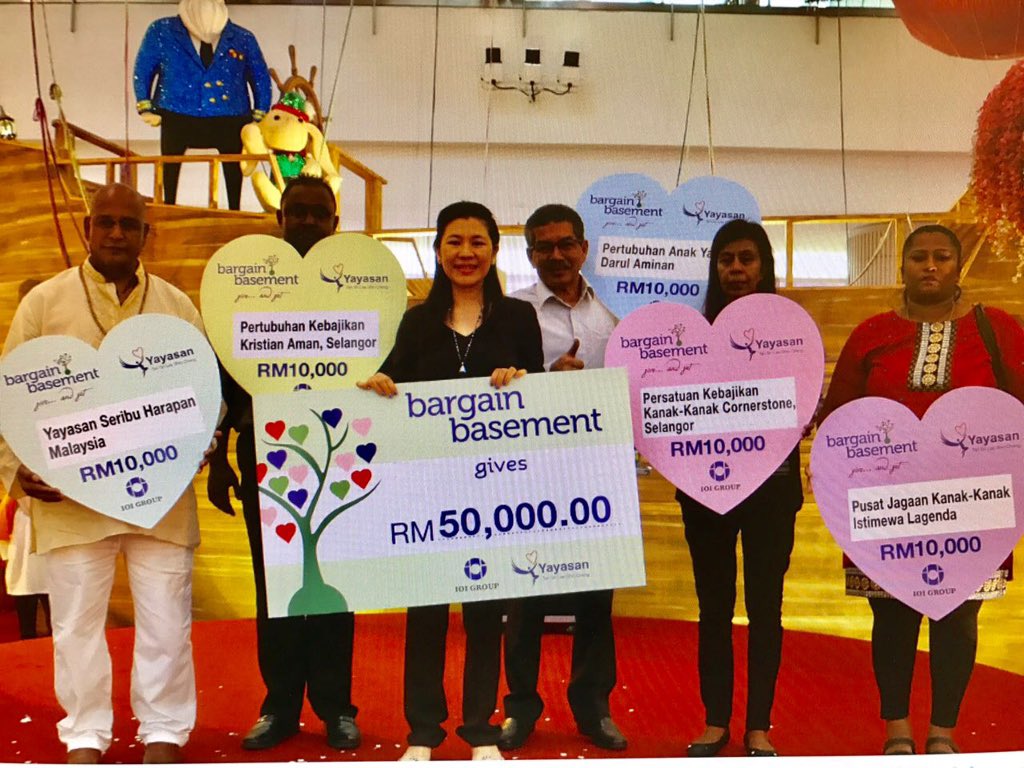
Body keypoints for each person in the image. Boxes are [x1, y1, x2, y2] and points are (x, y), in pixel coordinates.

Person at [0, 183, 205, 763]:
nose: (116, 232)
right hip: (70, 497)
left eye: (129, 224)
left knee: (167, 618)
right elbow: (10, 395)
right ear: (88, 228)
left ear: (146, 235)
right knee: (74, 624)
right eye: (106, 222)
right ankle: (85, 733)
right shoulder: (45, 302)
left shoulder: (175, 305)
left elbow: (203, 390)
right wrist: (17, 472)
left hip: (158, 493)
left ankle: (163, 730)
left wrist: (201, 441)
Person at [819, 224, 1024, 756]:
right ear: (902, 266)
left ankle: (943, 734)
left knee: (959, 617)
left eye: (941, 257)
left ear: (958, 267)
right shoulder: (870, 334)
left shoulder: (997, 329)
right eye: (919, 257)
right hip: (888, 505)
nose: (930, 266)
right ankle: (897, 732)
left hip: (973, 505)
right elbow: (838, 418)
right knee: (891, 616)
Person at [358, 201, 544, 761]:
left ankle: (481, 730)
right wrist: (378, 385)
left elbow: (539, 397)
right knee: (427, 615)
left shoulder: (518, 318)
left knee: (486, 614)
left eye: (477, 242)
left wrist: (522, 380)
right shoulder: (416, 321)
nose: (466, 253)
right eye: (454, 242)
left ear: (495, 250)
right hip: (427, 494)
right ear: (438, 251)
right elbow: (392, 379)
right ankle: (422, 732)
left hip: (495, 490)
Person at [206, 175, 362, 752]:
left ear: (335, 224)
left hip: (341, 448)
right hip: (264, 451)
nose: (307, 223)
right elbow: (224, 380)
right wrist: (220, 458)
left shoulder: (358, 292)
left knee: (336, 585)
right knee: (274, 586)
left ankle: (336, 708)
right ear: (280, 219)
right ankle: (279, 707)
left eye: (318, 214)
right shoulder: (246, 294)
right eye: (297, 212)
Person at [497, 204, 625, 752]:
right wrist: (546, 382)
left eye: (566, 244)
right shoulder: (510, 313)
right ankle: (520, 708)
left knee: (597, 596)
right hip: (530, 473)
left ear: (584, 248)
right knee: (525, 594)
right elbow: (494, 390)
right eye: (543, 247)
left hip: (599, 472)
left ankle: (594, 707)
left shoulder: (614, 316)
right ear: (529, 254)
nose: (556, 255)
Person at [677, 220, 802, 758]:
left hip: (772, 491)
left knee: (766, 609)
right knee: (713, 608)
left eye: (746, 259)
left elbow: (802, 397)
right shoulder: (690, 332)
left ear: (764, 266)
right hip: (705, 490)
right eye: (725, 260)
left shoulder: (792, 331)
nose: (735, 269)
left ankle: (758, 727)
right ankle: (714, 721)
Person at [133, 0, 272, 209]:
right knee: (170, 169)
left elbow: (260, 75)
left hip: (230, 115)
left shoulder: (243, 38)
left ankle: (234, 211)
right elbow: (144, 68)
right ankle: (168, 208)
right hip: (176, 112)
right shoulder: (161, 31)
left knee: (233, 171)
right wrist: (145, 107)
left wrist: (260, 113)